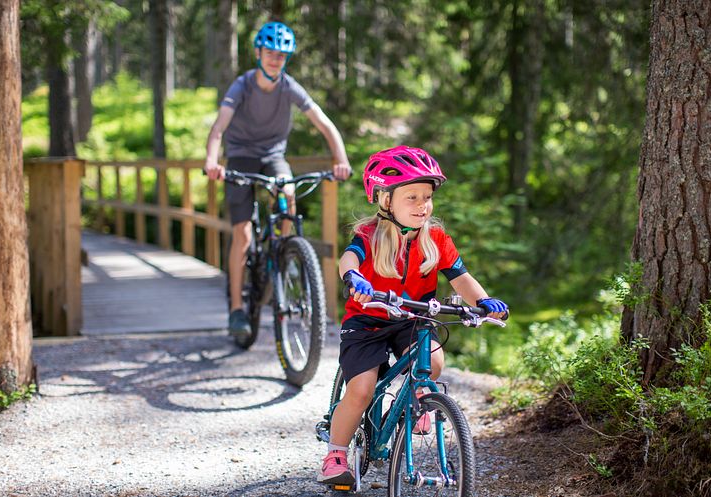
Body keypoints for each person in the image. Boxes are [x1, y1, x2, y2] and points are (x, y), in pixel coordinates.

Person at [317, 145, 509, 486]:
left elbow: (460, 277)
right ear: (385, 199)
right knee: (361, 390)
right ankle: (336, 453)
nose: (423, 205)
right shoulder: (369, 235)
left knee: (433, 361)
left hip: (412, 320)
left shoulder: (435, 239)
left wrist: (484, 300)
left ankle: (413, 403)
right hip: (368, 322)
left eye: (427, 197)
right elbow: (347, 258)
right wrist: (353, 277)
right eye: (412, 197)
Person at [204, 21, 352, 337]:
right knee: (242, 233)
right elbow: (218, 128)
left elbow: (325, 125)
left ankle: (283, 252)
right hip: (241, 155)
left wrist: (340, 159)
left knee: (287, 189)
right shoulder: (242, 86)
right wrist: (211, 161)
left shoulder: (289, 86)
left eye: (282, 55)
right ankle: (236, 310)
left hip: (273, 156)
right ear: (258, 53)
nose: (275, 60)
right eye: (270, 53)